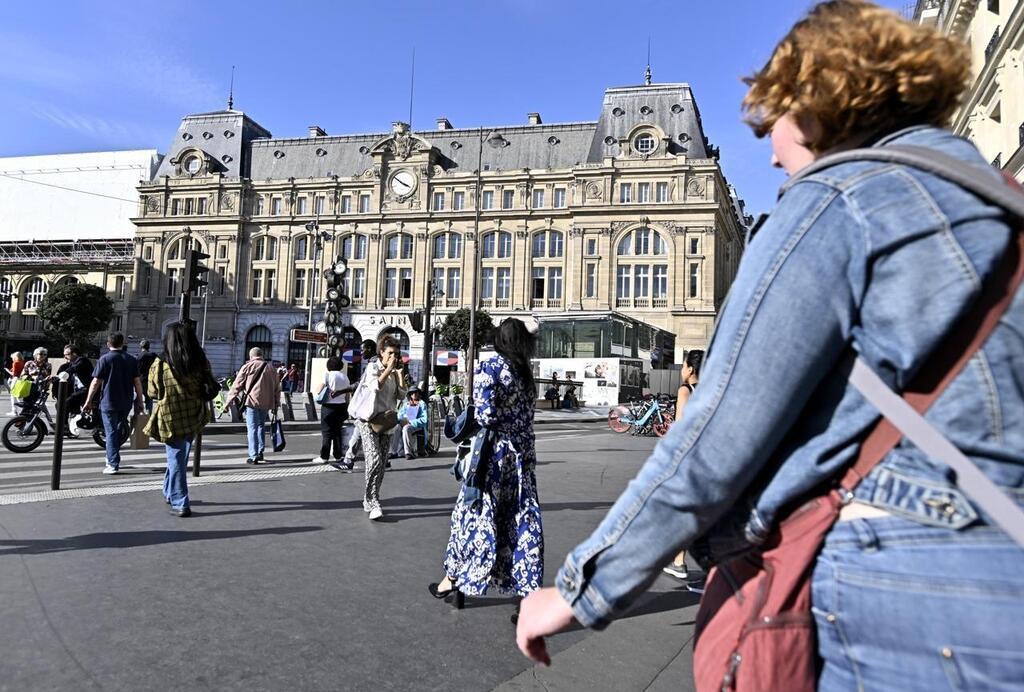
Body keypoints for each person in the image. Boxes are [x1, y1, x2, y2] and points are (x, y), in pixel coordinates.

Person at [516, 2, 1024, 686]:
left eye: (775, 118)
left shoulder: (839, 198)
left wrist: (584, 587)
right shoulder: (1001, 203)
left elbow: (718, 434)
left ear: (820, 105)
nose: (769, 146)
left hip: (900, 591)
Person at [429, 318, 543, 617]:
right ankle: (526, 596)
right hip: (520, 458)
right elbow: (528, 420)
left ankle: (453, 581)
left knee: (473, 515)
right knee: (521, 521)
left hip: (492, 456)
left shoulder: (491, 367)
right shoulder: (525, 373)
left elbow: (484, 414)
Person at [144, 323, 211, 517]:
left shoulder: (160, 364)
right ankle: (168, 491)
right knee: (178, 457)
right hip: (194, 414)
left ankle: (181, 502)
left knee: (176, 459)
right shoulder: (200, 361)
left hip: (171, 417)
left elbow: (152, 392)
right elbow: (208, 384)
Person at [348, 335, 406, 521]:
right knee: (373, 461)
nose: (393, 357)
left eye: (396, 354)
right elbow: (375, 386)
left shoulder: (395, 371)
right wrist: (389, 369)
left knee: (381, 464)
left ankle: (372, 497)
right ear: (382, 352)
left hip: (385, 421)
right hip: (367, 419)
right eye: (390, 353)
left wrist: (399, 375)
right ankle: (371, 500)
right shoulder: (373, 367)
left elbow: (402, 395)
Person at [662, 349, 704, 582]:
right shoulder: (710, 388)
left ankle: (680, 562)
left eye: (683, 365)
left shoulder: (685, 390)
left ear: (690, 369)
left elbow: (680, 425)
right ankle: (678, 562)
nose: (681, 370)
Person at [84, 334, 144, 475]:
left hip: (108, 401)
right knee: (117, 431)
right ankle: (112, 457)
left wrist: (88, 401)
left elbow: (95, 382)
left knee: (110, 432)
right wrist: (140, 400)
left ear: (108, 343)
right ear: (123, 343)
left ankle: (112, 463)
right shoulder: (131, 359)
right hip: (126, 401)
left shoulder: (105, 359)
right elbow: (137, 382)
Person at [228, 347, 281, 464]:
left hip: (252, 402)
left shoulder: (247, 367)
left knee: (252, 428)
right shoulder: (271, 368)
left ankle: (253, 455)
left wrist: (229, 401)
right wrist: (277, 403)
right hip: (266, 403)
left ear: (251, 356)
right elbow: (277, 389)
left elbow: (237, 385)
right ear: (262, 355)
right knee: (261, 426)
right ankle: (260, 451)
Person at [313, 356, 354, 467]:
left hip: (329, 407)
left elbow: (318, 390)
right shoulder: (345, 377)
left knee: (327, 432)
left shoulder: (327, 375)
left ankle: (324, 456)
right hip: (341, 406)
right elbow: (347, 394)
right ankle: (338, 455)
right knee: (337, 432)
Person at [56, 344, 93, 436]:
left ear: (74, 354)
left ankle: (65, 427)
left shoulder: (83, 361)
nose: (65, 356)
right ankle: (74, 425)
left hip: (86, 390)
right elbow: (67, 369)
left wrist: (61, 375)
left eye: (67, 354)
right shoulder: (72, 362)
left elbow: (73, 369)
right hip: (78, 391)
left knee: (61, 404)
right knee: (67, 406)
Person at [398, 388, 428, 460]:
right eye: (412, 393)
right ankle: (394, 451)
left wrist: (411, 422)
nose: (414, 394)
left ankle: (408, 452)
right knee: (396, 427)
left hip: (417, 425)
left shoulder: (422, 404)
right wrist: (402, 420)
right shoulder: (406, 404)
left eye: (416, 392)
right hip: (405, 422)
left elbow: (424, 420)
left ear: (419, 394)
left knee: (406, 428)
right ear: (410, 395)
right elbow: (399, 415)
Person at [137, 339, 157, 414]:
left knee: (138, 398)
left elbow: (137, 370)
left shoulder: (139, 356)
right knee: (149, 399)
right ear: (149, 346)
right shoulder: (153, 355)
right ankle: (149, 415)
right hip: (151, 380)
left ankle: (139, 415)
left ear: (141, 346)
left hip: (141, 381)